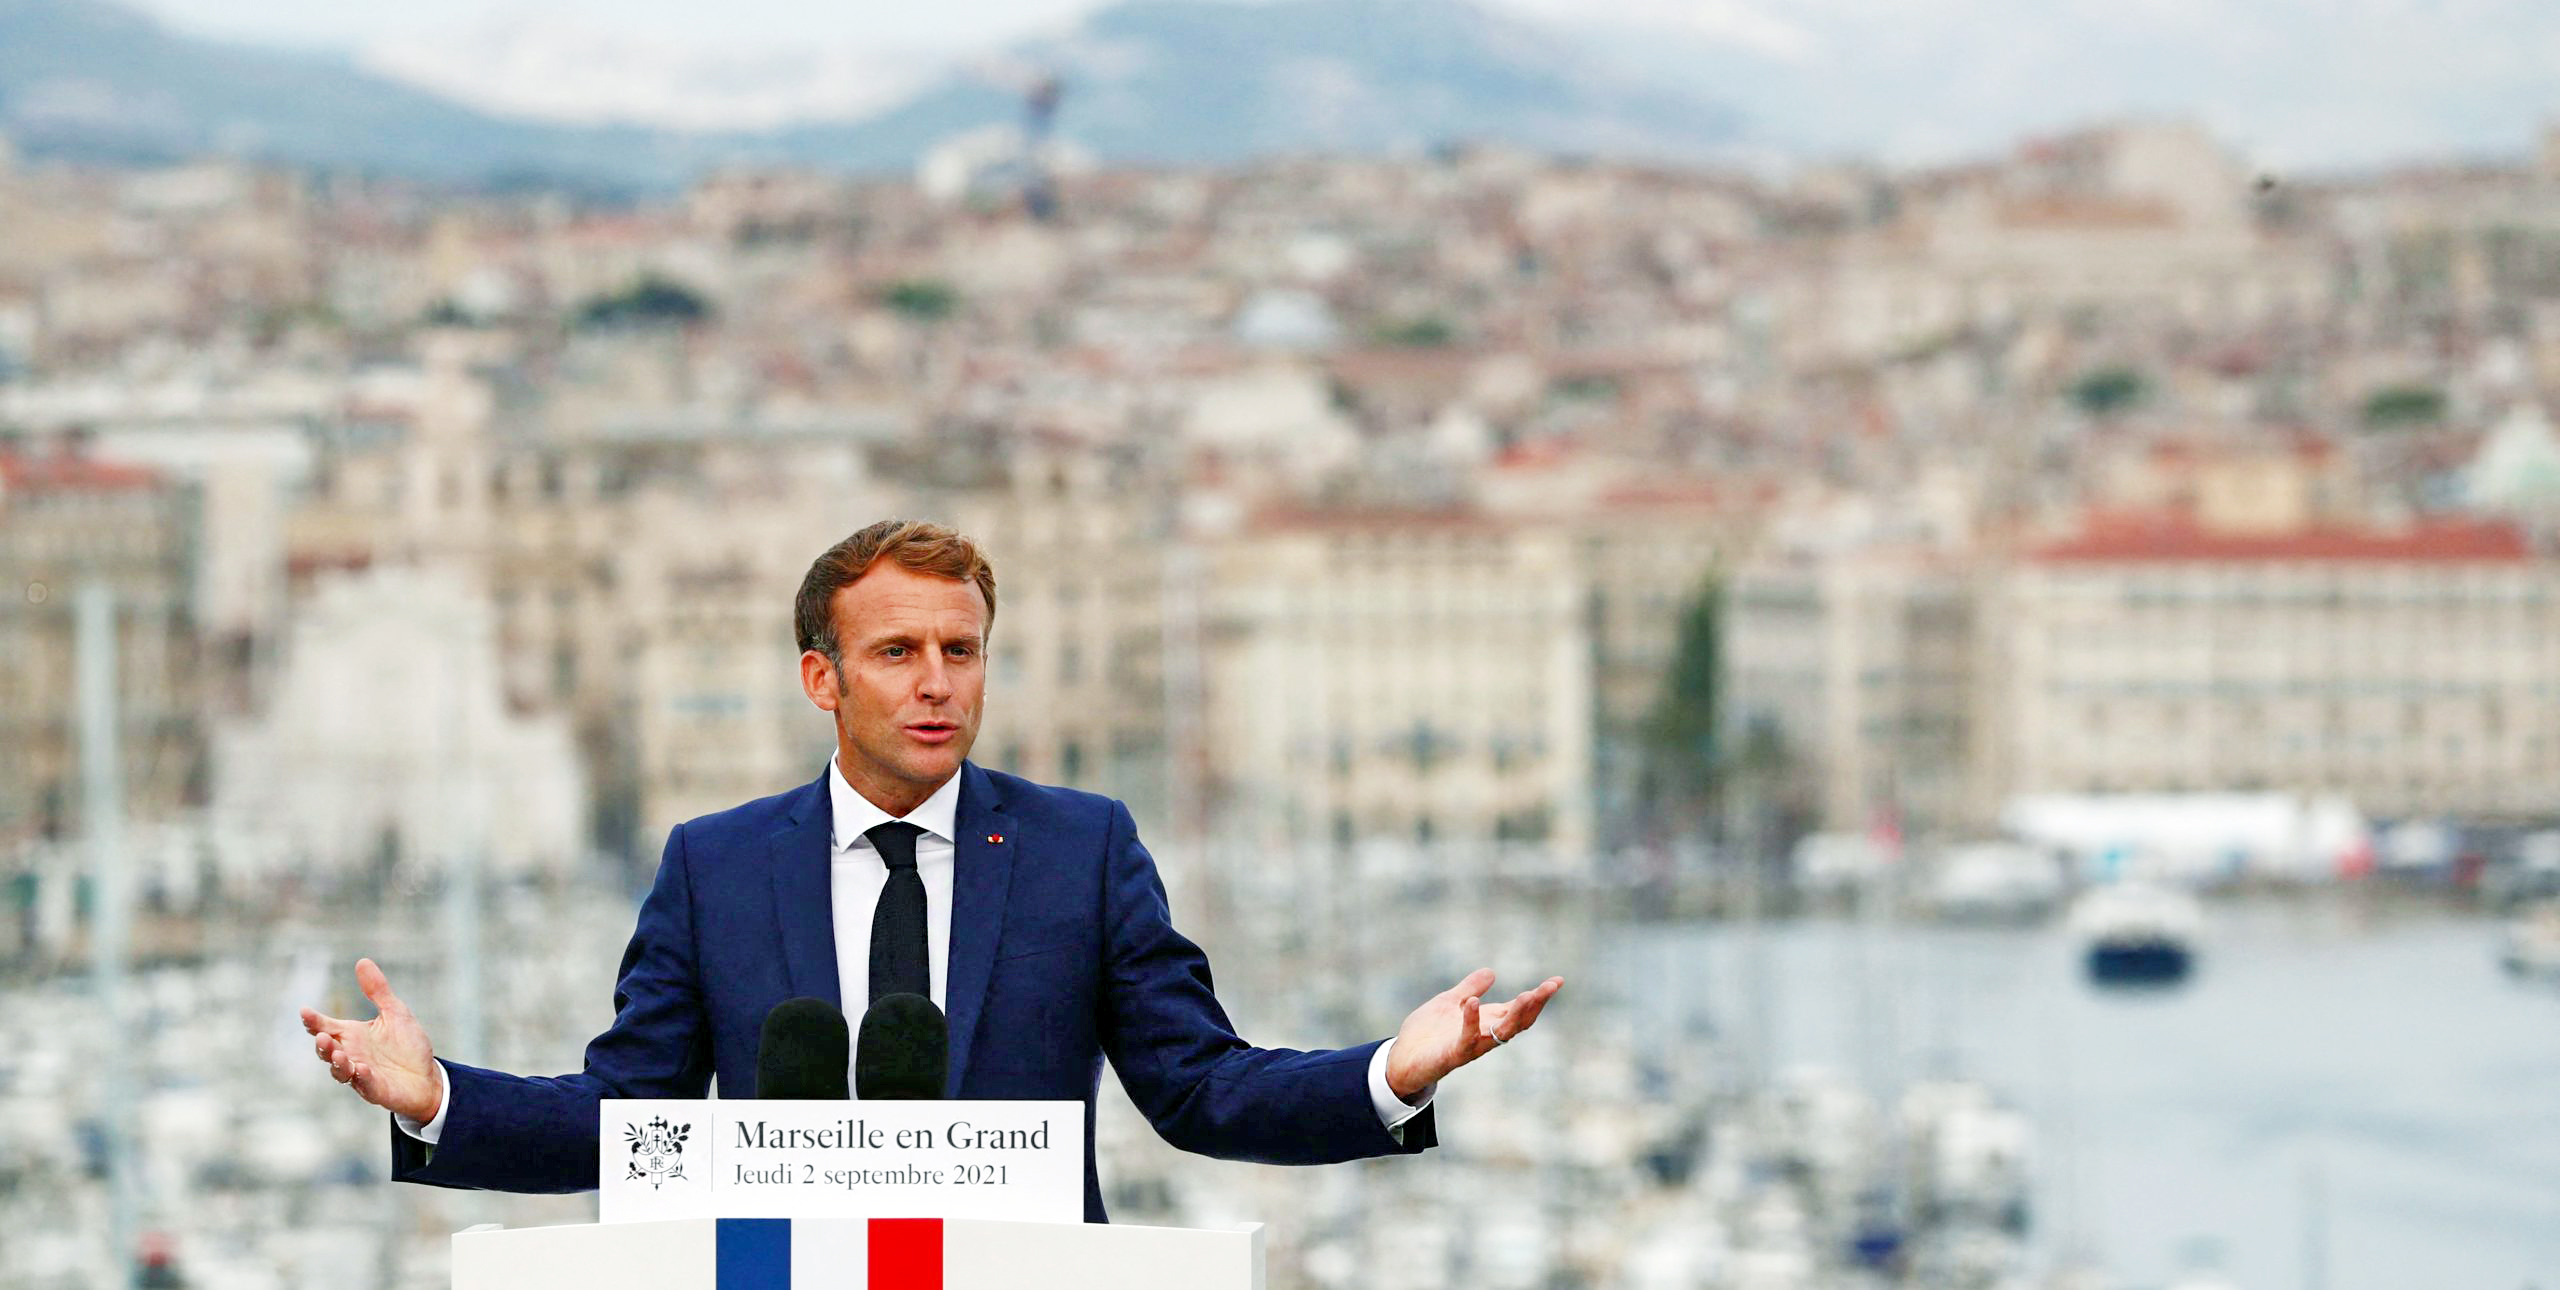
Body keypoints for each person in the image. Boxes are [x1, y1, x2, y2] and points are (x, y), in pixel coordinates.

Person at [302, 520, 1562, 1221]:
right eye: (896, 651)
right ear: (822, 678)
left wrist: (1390, 1074)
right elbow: (632, 1117)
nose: (936, 683)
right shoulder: (715, 866)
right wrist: (438, 1100)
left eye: (961, 650)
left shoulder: (1082, 849)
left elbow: (1199, 1090)